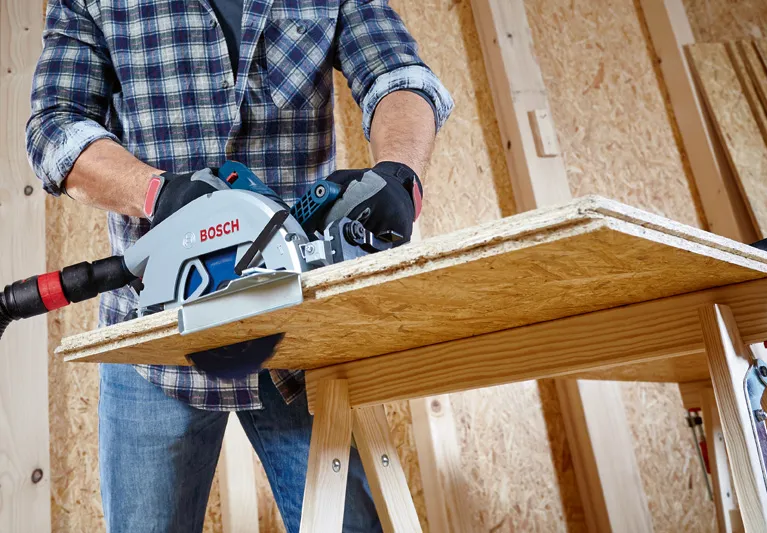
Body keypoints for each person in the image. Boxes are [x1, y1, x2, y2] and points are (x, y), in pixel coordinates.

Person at [26, 0, 453, 531]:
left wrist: (399, 175)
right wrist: (155, 193)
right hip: (156, 340)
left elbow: (398, 74)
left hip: (301, 333)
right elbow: (54, 125)